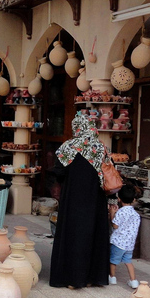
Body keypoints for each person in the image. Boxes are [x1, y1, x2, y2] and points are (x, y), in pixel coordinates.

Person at [50, 114, 110, 289]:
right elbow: (108, 172)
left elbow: (59, 172)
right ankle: (92, 278)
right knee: (93, 234)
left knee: (73, 235)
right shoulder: (100, 148)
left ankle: (72, 279)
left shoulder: (68, 147)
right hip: (95, 200)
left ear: (77, 126)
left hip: (73, 199)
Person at [109, 185, 141, 289]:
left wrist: (112, 214)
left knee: (113, 261)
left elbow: (115, 225)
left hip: (118, 242)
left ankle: (112, 278)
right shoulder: (136, 214)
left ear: (119, 199)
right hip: (129, 244)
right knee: (128, 261)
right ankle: (134, 281)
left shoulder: (121, 212)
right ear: (134, 199)